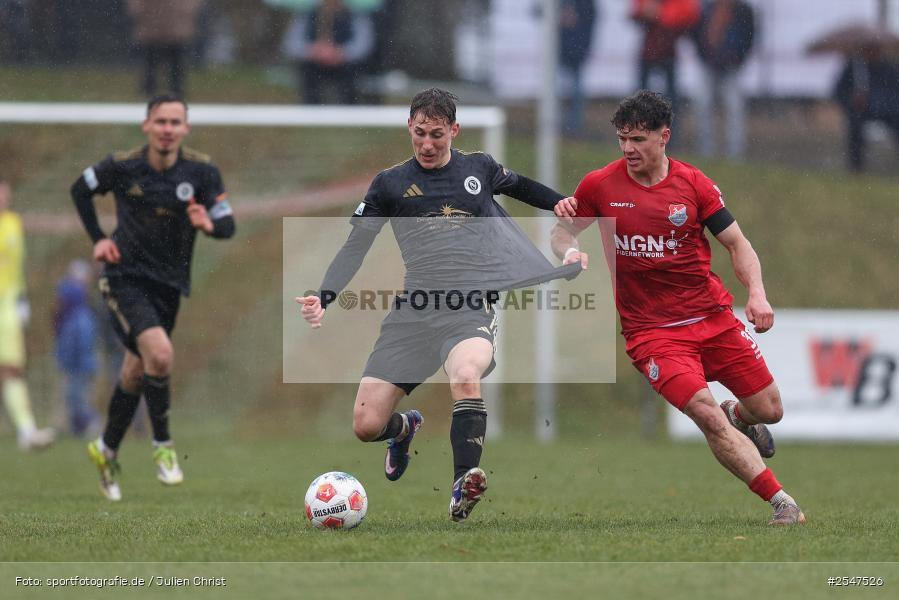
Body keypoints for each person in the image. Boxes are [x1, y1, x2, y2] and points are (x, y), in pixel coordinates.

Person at [296, 88, 578, 523]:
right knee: (367, 425)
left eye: (438, 135)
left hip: (469, 307)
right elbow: (356, 246)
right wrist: (324, 296)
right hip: (412, 312)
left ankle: (461, 488)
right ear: (410, 127)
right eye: (420, 133)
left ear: (454, 131)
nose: (427, 144)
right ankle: (404, 429)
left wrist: (562, 204)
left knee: (466, 376)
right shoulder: (389, 183)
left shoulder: (478, 168)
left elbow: (522, 187)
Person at [550, 90, 805, 526]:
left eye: (639, 139)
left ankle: (737, 415)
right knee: (705, 413)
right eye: (622, 139)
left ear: (664, 136)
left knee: (769, 410)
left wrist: (757, 293)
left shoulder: (694, 184)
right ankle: (781, 502)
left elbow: (737, 244)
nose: (628, 149)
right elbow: (561, 232)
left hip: (712, 317)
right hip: (653, 333)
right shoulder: (599, 185)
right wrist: (568, 252)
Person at [70, 94, 236, 501]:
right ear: (146, 125)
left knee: (135, 371)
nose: (167, 129)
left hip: (168, 287)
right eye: (160, 121)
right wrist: (98, 240)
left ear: (185, 129)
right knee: (159, 355)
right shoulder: (123, 165)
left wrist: (208, 226)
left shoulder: (202, 171)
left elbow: (227, 224)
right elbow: (80, 189)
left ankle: (106, 449)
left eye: (175, 122)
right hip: (123, 278)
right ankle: (163, 446)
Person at [0, 179, 56, 451]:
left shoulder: (13, 223)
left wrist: (21, 299)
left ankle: (26, 430)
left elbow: (17, 265)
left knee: (11, 368)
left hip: (7, 303)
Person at [693, 0, 755, 159]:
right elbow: (697, 35)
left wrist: (737, 58)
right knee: (703, 105)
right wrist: (705, 56)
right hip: (710, 66)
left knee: (734, 109)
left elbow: (749, 37)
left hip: (731, 68)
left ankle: (735, 153)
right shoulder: (707, 9)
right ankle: (706, 150)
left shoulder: (743, 10)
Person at [281, 0, 375, 104]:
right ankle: (310, 111)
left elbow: (363, 45)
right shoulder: (306, 15)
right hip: (313, 65)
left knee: (351, 79)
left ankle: (349, 112)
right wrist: (313, 50)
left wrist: (340, 53)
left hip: (345, 66)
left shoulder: (356, 15)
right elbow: (292, 44)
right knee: (307, 75)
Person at [833, 45, 899, 172]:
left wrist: (881, 103)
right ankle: (856, 168)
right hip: (861, 113)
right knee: (854, 128)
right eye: (869, 49)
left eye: (875, 49)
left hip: (888, 112)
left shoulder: (890, 69)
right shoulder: (853, 69)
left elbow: (895, 93)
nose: (872, 53)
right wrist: (851, 100)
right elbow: (838, 92)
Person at [53, 267, 101, 438]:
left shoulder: (78, 318)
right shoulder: (79, 315)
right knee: (74, 399)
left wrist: (68, 363)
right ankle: (78, 429)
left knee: (78, 399)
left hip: (78, 367)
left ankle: (89, 427)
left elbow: (78, 345)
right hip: (77, 366)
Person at [630, 0, 700, 117]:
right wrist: (646, 12)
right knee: (641, 99)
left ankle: (668, 130)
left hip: (666, 50)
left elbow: (690, 15)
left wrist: (660, 13)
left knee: (670, 98)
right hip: (651, 49)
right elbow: (636, 11)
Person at [126, 0, 205, 97]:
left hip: (174, 28)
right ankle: (149, 90)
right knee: (151, 63)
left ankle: (175, 91)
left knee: (175, 63)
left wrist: (184, 12)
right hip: (152, 27)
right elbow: (135, 6)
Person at [559, 0, 598, 137]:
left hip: (575, 50)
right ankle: (559, 124)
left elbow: (589, 19)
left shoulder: (586, 4)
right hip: (561, 48)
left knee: (575, 90)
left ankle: (573, 126)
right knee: (560, 90)